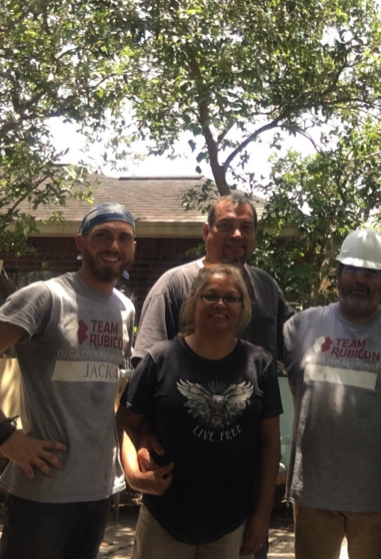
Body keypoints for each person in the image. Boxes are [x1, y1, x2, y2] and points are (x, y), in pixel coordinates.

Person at [0, 203, 137, 559]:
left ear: (133, 247)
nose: (114, 246)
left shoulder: (125, 308)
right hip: (44, 491)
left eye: (124, 238)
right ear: (80, 242)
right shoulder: (46, 297)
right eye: (103, 236)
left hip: (99, 489)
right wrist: (4, 435)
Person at [125, 192, 293, 500]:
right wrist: (144, 430)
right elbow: (143, 373)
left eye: (246, 227)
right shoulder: (174, 285)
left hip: (247, 473)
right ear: (207, 232)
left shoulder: (267, 288)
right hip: (179, 470)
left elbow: (296, 353)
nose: (237, 234)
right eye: (226, 225)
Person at [284, 228, 381, 559]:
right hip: (313, 490)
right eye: (352, 270)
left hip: (377, 495)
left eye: (370, 274)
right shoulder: (301, 326)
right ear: (337, 275)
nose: (359, 281)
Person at [119, 264, 282, 559]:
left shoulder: (259, 364)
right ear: (193, 302)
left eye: (231, 298)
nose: (220, 304)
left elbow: (270, 442)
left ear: (243, 308)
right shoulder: (160, 359)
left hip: (233, 522)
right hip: (164, 517)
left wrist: (262, 515)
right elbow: (126, 421)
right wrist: (133, 476)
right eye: (210, 296)